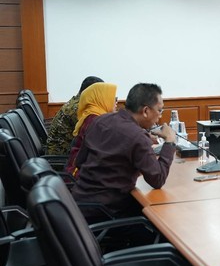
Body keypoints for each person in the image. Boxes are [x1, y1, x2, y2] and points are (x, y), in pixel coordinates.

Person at [72, 83, 177, 222]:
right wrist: (169, 142)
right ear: (146, 111)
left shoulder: (99, 120)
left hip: (77, 205)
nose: (159, 117)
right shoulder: (138, 137)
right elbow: (157, 179)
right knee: (161, 224)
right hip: (107, 213)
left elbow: (79, 162)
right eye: (159, 110)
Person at [66, 82, 118, 179]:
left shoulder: (93, 115)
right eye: (113, 98)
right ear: (102, 99)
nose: (116, 102)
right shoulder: (95, 121)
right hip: (80, 175)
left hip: (83, 170)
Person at [45, 76, 103, 155]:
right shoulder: (78, 108)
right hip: (60, 154)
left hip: (68, 149)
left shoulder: (78, 102)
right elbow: (93, 134)